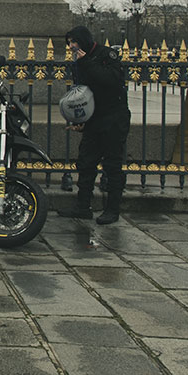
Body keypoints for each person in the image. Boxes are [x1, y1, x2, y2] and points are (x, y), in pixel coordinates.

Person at [58, 25, 131, 225]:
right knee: (86, 162)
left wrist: (87, 63)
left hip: (114, 117)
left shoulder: (106, 54)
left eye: (74, 42)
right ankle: (83, 207)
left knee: (112, 165)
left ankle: (112, 209)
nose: (72, 46)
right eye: (69, 43)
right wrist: (79, 120)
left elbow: (111, 80)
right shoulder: (79, 62)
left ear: (84, 40)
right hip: (94, 118)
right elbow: (82, 92)